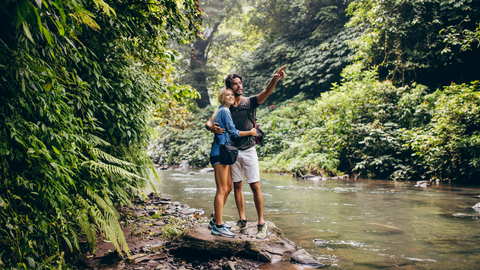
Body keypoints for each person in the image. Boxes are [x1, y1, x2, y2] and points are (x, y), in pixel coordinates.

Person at [205, 66, 286, 239]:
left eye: (240, 83)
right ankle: (241, 219)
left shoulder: (249, 102)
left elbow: (266, 91)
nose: (239, 86)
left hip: (249, 149)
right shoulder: (226, 105)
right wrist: (212, 128)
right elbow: (209, 122)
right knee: (236, 186)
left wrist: (275, 79)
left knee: (255, 185)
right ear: (229, 88)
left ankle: (261, 223)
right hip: (231, 152)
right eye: (235, 84)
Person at [208, 88, 257, 238]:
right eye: (226, 95)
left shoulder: (221, 110)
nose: (230, 96)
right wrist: (251, 132)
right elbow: (234, 132)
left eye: (231, 94)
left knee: (229, 187)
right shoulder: (224, 111)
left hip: (224, 152)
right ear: (221, 98)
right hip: (220, 152)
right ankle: (218, 226)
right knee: (222, 189)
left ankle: (216, 219)